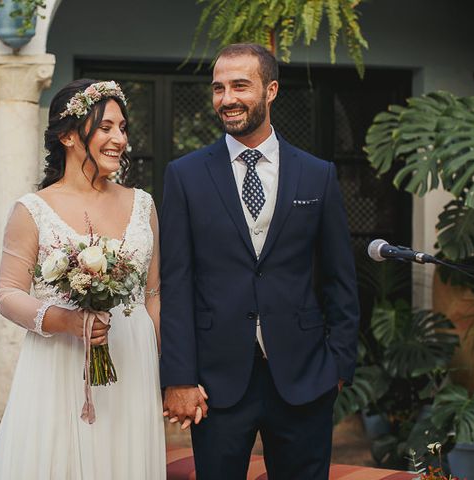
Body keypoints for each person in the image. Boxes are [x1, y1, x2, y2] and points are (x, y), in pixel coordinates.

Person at [159, 43, 360, 480]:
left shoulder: (316, 174)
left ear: (270, 90)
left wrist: (338, 365)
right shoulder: (185, 175)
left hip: (305, 376)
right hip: (216, 381)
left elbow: (339, 278)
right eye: (218, 88)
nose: (226, 98)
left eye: (239, 86)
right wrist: (178, 377)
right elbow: (175, 282)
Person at [0, 79, 166, 479]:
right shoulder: (33, 209)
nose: (120, 138)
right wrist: (65, 321)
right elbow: (7, 293)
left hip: (133, 361)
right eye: (106, 127)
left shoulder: (142, 204)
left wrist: (168, 368)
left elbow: (153, 294)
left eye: (123, 128)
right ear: (67, 135)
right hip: (59, 364)